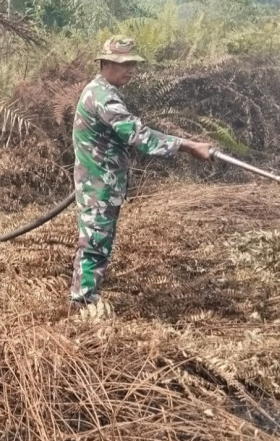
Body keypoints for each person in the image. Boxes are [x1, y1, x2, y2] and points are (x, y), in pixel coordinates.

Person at [70, 35, 214, 316]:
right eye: (125, 64)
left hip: (101, 182)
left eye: (133, 64)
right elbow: (140, 137)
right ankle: (82, 303)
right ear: (106, 63)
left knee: (98, 241)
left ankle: (85, 297)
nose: (130, 70)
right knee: (94, 244)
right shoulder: (103, 97)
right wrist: (190, 146)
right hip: (98, 185)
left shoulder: (103, 91)